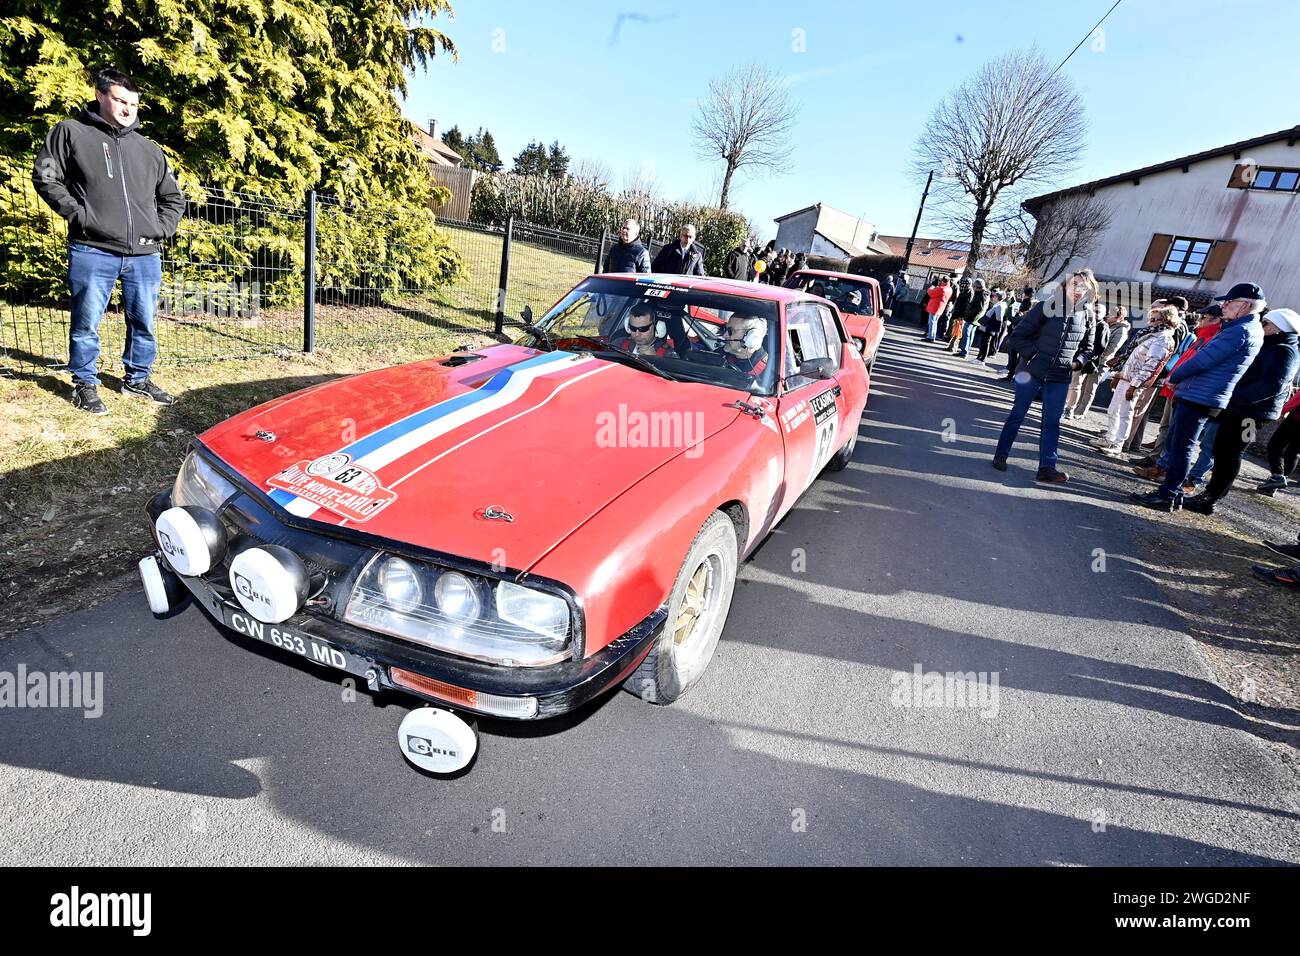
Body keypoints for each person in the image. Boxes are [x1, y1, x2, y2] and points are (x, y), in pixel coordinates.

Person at [32, 67, 186, 414]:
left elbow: (173, 198)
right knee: (86, 321)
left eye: (133, 103)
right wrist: (80, 216)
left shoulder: (149, 149)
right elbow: (46, 177)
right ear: (101, 96)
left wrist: (159, 228)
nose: (128, 109)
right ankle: (85, 383)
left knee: (144, 320)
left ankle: (138, 379)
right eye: (120, 100)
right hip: (92, 249)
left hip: (144, 253)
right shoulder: (70, 132)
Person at [1131, 282, 1267, 511]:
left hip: (1202, 395)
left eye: (1229, 302)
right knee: (1178, 443)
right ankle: (1168, 491)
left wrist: (1174, 376)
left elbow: (1204, 359)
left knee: (1182, 446)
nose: (1224, 305)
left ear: (1244, 305)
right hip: (1203, 394)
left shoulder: (1240, 331)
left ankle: (1168, 494)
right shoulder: (1242, 328)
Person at [1183, 309, 1300, 514]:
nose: (1261, 326)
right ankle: (1211, 493)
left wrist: (1235, 397)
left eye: (1265, 323)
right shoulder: (1274, 346)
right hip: (1242, 409)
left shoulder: (1285, 350)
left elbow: (1273, 385)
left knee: (1232, 452)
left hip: (1254, 414)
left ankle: (1212, 498)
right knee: (1222, 450)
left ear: (1277, 328)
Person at [992, 269, 1098, 482]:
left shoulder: (1088, 315)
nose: (1078, 290)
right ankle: (1001, 455)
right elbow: (1018, 336)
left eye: (1083, 287)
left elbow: (1089, 348)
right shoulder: (1045, 307)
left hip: (1060, 376)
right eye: (1074, 284)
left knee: (1052, 422)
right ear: (1065, 286)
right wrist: (1033, 356)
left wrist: (1078, 362)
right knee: (1018, 415)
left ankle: (1047, 468)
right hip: (1032, 372)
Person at [1132, 305, 1224, 478]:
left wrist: (1177, 380)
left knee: (1177, 434)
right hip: (1176, 387)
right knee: (1166, 427)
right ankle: (1157, 461)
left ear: (1215, 319)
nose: (1199, 319)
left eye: (1203, 316)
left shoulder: (1213, 338)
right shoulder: (1201, 336)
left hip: (1186, 390)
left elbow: (1198, 364)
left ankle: (1164, 469)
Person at [1088, 305, 1178, 456]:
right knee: (1114, 410)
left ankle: (1117, 444)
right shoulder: (1151, 335)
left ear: (1165, 320)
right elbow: (1132, 357)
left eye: (1154, 319)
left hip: (1134, 381)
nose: (1151, 322)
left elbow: (1151, 365)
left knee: (1125, 413)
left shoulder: (1163, 339)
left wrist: (1134, 385)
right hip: (1127, 377)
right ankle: (1110, 438)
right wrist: (1119, 375)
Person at [1065, 306, 1129, 419]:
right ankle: (1074, 407)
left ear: (1119, 317)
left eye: (1111, 314)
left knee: (1090, 388)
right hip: (1091, 359)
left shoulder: (1121, 330)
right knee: (1081, 385)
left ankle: (1080, 412)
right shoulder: (1107, 325)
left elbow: (1112, 348)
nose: (1108, 315)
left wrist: (1096, 357)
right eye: (1108, 313)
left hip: (1101, 362)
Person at [1258, 389, 1300, 493]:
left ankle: (1277, 477)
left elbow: (1296, 400)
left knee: (1274, 446)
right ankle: (1276, 483)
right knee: (1293, 452)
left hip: (1296, 421)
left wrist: (1280, 412)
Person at [722, 315, 770, 379]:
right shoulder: (720, 355)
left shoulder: (769, 375)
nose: (724, 335)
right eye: (725, 329)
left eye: (731, 330)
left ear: (751, 337)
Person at [957, 277, 990, 359]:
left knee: (966, 334)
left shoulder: (981, 295)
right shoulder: (985, 294)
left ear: (977, 286)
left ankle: (964, 351)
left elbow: (979, 308)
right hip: (977, 318)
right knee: (970, 334)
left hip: (972, 318)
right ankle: (965, 350)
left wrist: (968, 315)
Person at [975, 290, 1008, 363]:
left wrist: (996, 329)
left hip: (990, 326)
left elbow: (999, 319)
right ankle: (979, 358)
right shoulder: (998, 305)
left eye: (994, 296)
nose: (993, 298)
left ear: (997, 297)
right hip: (989, 326)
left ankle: (981, 359)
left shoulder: (998, 306)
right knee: (984, 342)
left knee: (985, 342)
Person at [923, 276, 952, 342]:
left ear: (942, 281)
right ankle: (933, 336)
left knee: (932, 322)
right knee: (935, 322)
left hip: (935, 306)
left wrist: (931, 288)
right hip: (941, 307)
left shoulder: (941, 288)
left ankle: (930, 337)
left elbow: (931, 293)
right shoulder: (949, 289)